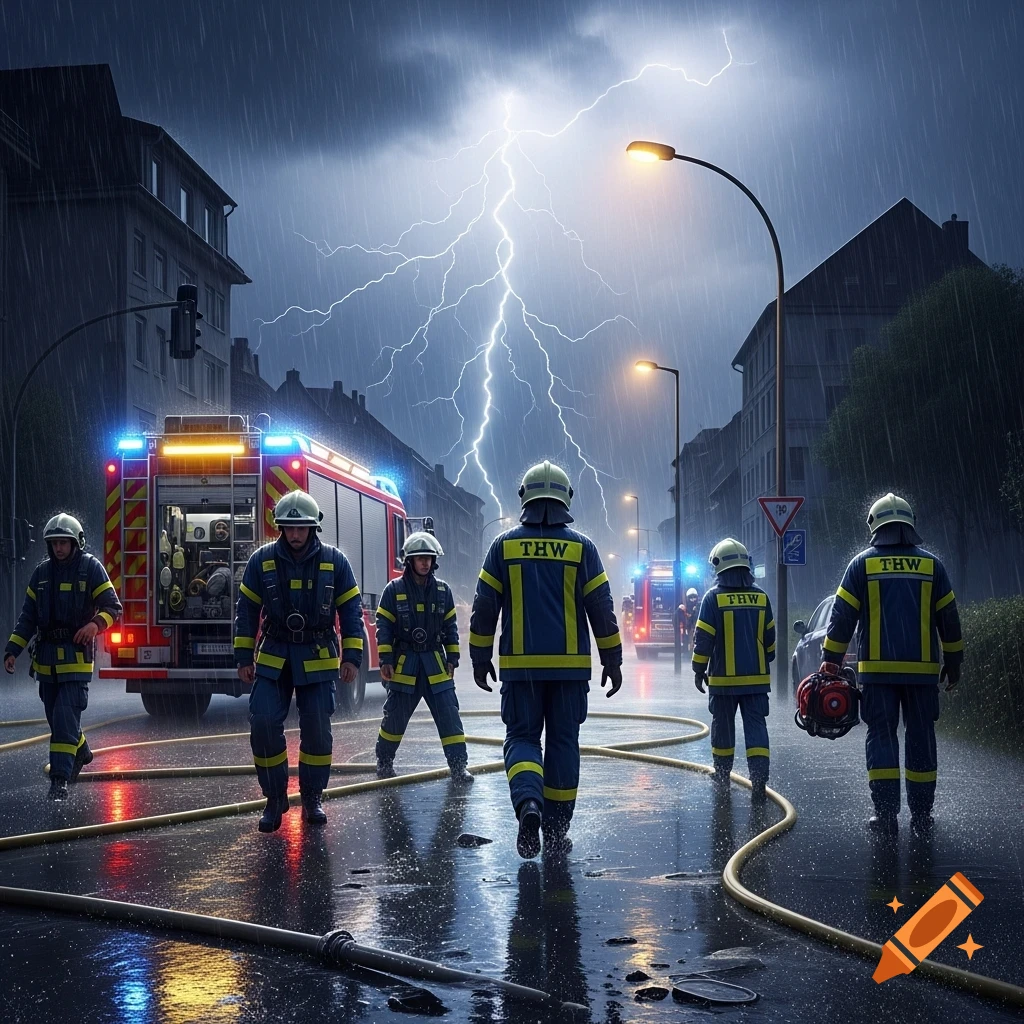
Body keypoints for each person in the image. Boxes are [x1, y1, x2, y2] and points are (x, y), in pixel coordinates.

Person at [469, 460, 623, 859]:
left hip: (521, 671)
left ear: (525, 498)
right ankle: (556, 831)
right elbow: (602, 609)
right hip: (570, 673)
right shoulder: (582, 548)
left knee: (521, 739)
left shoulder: (503, 546)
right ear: (565, 499)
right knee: (563, 744)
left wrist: (479, 657)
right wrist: (613, 659)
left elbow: (484, 607)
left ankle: (529, 807)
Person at [819, 493, 962, 834]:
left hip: (878, 677)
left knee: (881, 737)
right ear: (909, 525)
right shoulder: (932, 566)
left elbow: (841, 620)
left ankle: (885, 815)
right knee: (921, 738)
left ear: (875, 526)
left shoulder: (862, 565)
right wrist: (954, 662)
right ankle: (922, 814)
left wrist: (830, 661)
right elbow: (950, 620)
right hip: (924, 676)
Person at [234, 490, 364, 833]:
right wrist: (243, 657)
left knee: (318, 732)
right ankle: (274, 800)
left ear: (313, 527)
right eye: (289, 527)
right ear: (279, 527)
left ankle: (312, 798)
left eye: (301, 528)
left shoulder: (336, 562)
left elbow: (351, 613)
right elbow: (246, 612)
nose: (294, 534)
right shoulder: (261, 561)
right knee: (262, 723)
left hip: (318, 656)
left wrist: (352, 657)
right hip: (275, 654)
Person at [4, 514, 122, 800]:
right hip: (46, 662)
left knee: (65, 718)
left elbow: (112, 607)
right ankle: (81, 751)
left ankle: (59, 782)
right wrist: (13, 649)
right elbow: (28, 617)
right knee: (57, 720)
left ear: (76, 543)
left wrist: (94, 625)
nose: (59, 548)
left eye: (63, 543)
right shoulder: (41, 574)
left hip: (75, 659)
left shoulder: (90, 569)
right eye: (54, 543)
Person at [374, 531, 472, 784]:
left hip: (435, 663)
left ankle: (459, 767)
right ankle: (384, 763)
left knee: (449, 716)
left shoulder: (443, 591)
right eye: (420, 558)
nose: (425, 562)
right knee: (394, 717)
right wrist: (385, 659)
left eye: (428, 557)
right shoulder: (393, 591)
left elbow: (450, 627)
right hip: (405, 663)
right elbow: (383, 626)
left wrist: (453, 657)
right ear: (409, 561)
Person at [691, 538, 774, 800]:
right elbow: (770, 640)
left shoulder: (712, 599)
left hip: (723, 682)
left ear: (718, 568)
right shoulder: (761, 597)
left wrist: (698, 668)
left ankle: (723, 775)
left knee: (723, 728)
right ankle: (759, 782)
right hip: (756, 682)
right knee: (756, 728)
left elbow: (703, 640)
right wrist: (761, 660)